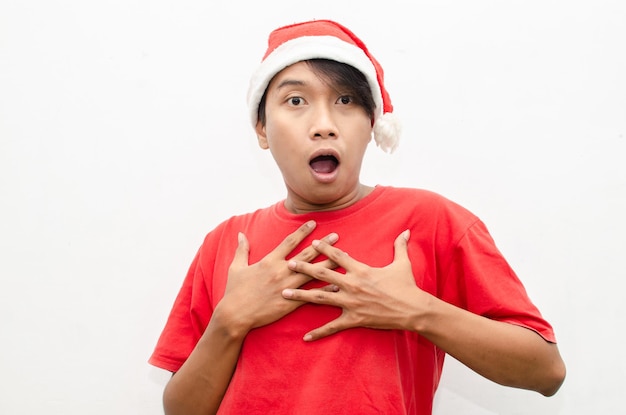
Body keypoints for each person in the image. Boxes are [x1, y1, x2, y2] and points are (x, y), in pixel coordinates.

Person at [149, 19, 566, 415]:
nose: (324, 125)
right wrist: (229, 320)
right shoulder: (226, 242)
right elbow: (181, 409)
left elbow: (545, 371)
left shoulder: (430, 221)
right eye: (296, 101)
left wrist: (414, 309)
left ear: (372, 123)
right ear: (261, 129)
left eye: (345, 101)